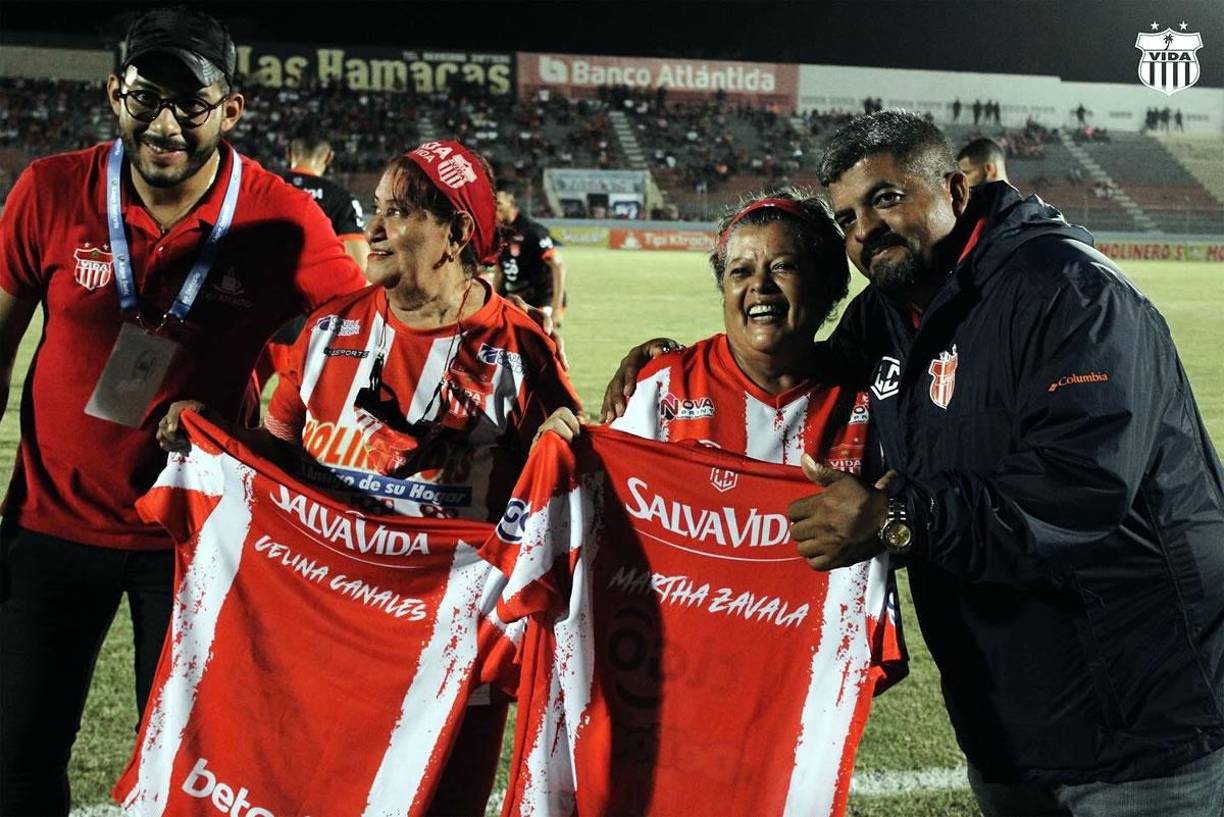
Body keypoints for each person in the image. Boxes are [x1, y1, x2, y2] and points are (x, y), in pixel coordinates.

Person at [602, 110, 1224, 816]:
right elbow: (800, 377)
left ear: (955, 189)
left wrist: (899, 518)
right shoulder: (889, 313)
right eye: (847, 217)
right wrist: (679, 367)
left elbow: (1081, 488)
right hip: (1007, 720)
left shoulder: (1069, 292)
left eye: (887, 198)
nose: (866, 229)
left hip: (1140, 724)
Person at [0, 8, 366, 814]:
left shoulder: (279, 216)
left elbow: (364, 338)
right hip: (50, 525)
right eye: (146, 98)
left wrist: (267, 422)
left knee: (190, 770)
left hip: (196, 533)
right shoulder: (51, 189)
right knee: (16, 758)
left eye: (190, 104)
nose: (165, 125)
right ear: (114, 94)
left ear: (230, 110)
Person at [160, 138, 581, 816]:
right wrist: (215, 437)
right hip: (329, 630)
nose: (374, 228)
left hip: (449, 653)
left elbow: (562, 496)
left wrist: (569, 445)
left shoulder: (520, 350)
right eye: (376, 208)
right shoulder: (329, 331)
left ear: (456, 234)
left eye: (400, 212)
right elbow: (276, 460)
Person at [279, 122, 370, 272]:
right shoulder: (342, 199)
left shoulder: (266, 186)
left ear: (288, 152)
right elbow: (360, 265)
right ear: (329, 157)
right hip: (316, 284)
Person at [492, 183, 567, 327]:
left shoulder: (533, 231)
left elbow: (558, 266)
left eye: (499, 203)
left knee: (537, 338)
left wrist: (556, 308)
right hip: (516, 299)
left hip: (542, 300)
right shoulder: (499, 233)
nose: (494, 207)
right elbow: (499, 272)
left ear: (511, 203)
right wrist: (493, 303)